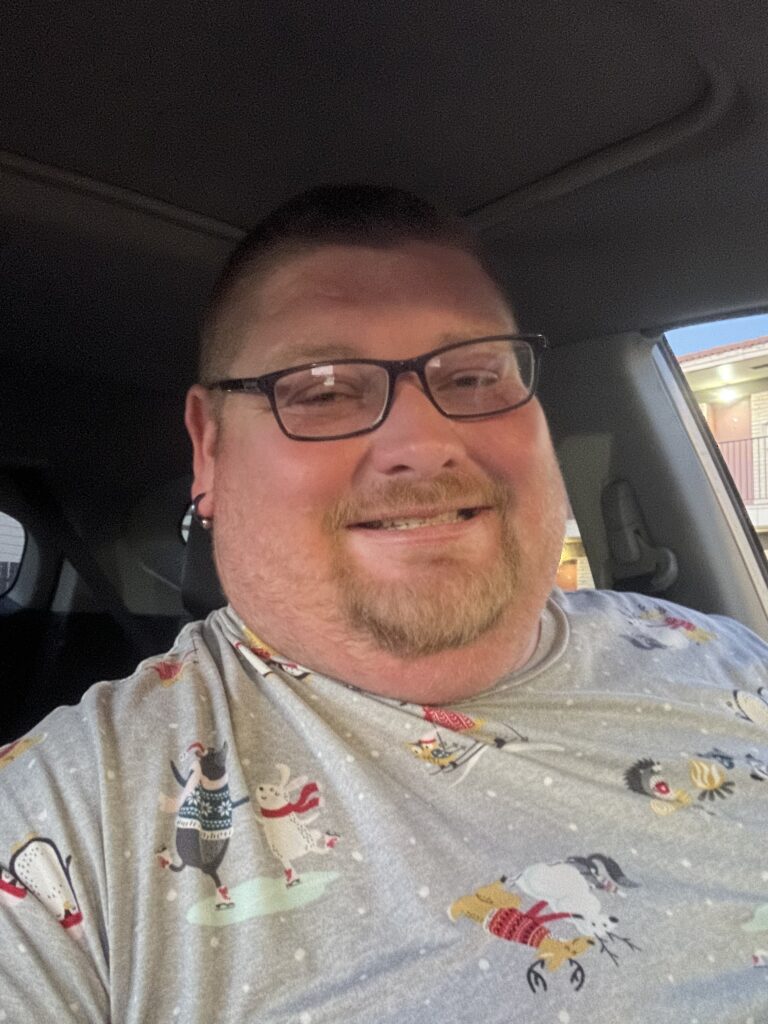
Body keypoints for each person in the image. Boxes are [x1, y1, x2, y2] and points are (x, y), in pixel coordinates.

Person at [1, 185, 767, 1024]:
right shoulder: (60, 822)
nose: (421, 444)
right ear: (210, 448)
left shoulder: (733, 660)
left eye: (474, 374)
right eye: (323, 389)